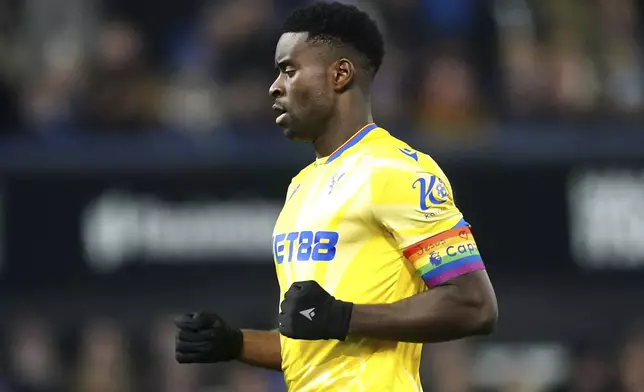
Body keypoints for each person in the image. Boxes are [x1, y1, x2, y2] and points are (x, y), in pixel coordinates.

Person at [174, 2, 498, 391]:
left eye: (289, 70)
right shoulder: (301, 186)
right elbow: (312, 340)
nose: (275, 86)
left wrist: (344, 317)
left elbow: (475, 305)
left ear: (340, 74)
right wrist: (234, 342)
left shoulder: (396, 169)